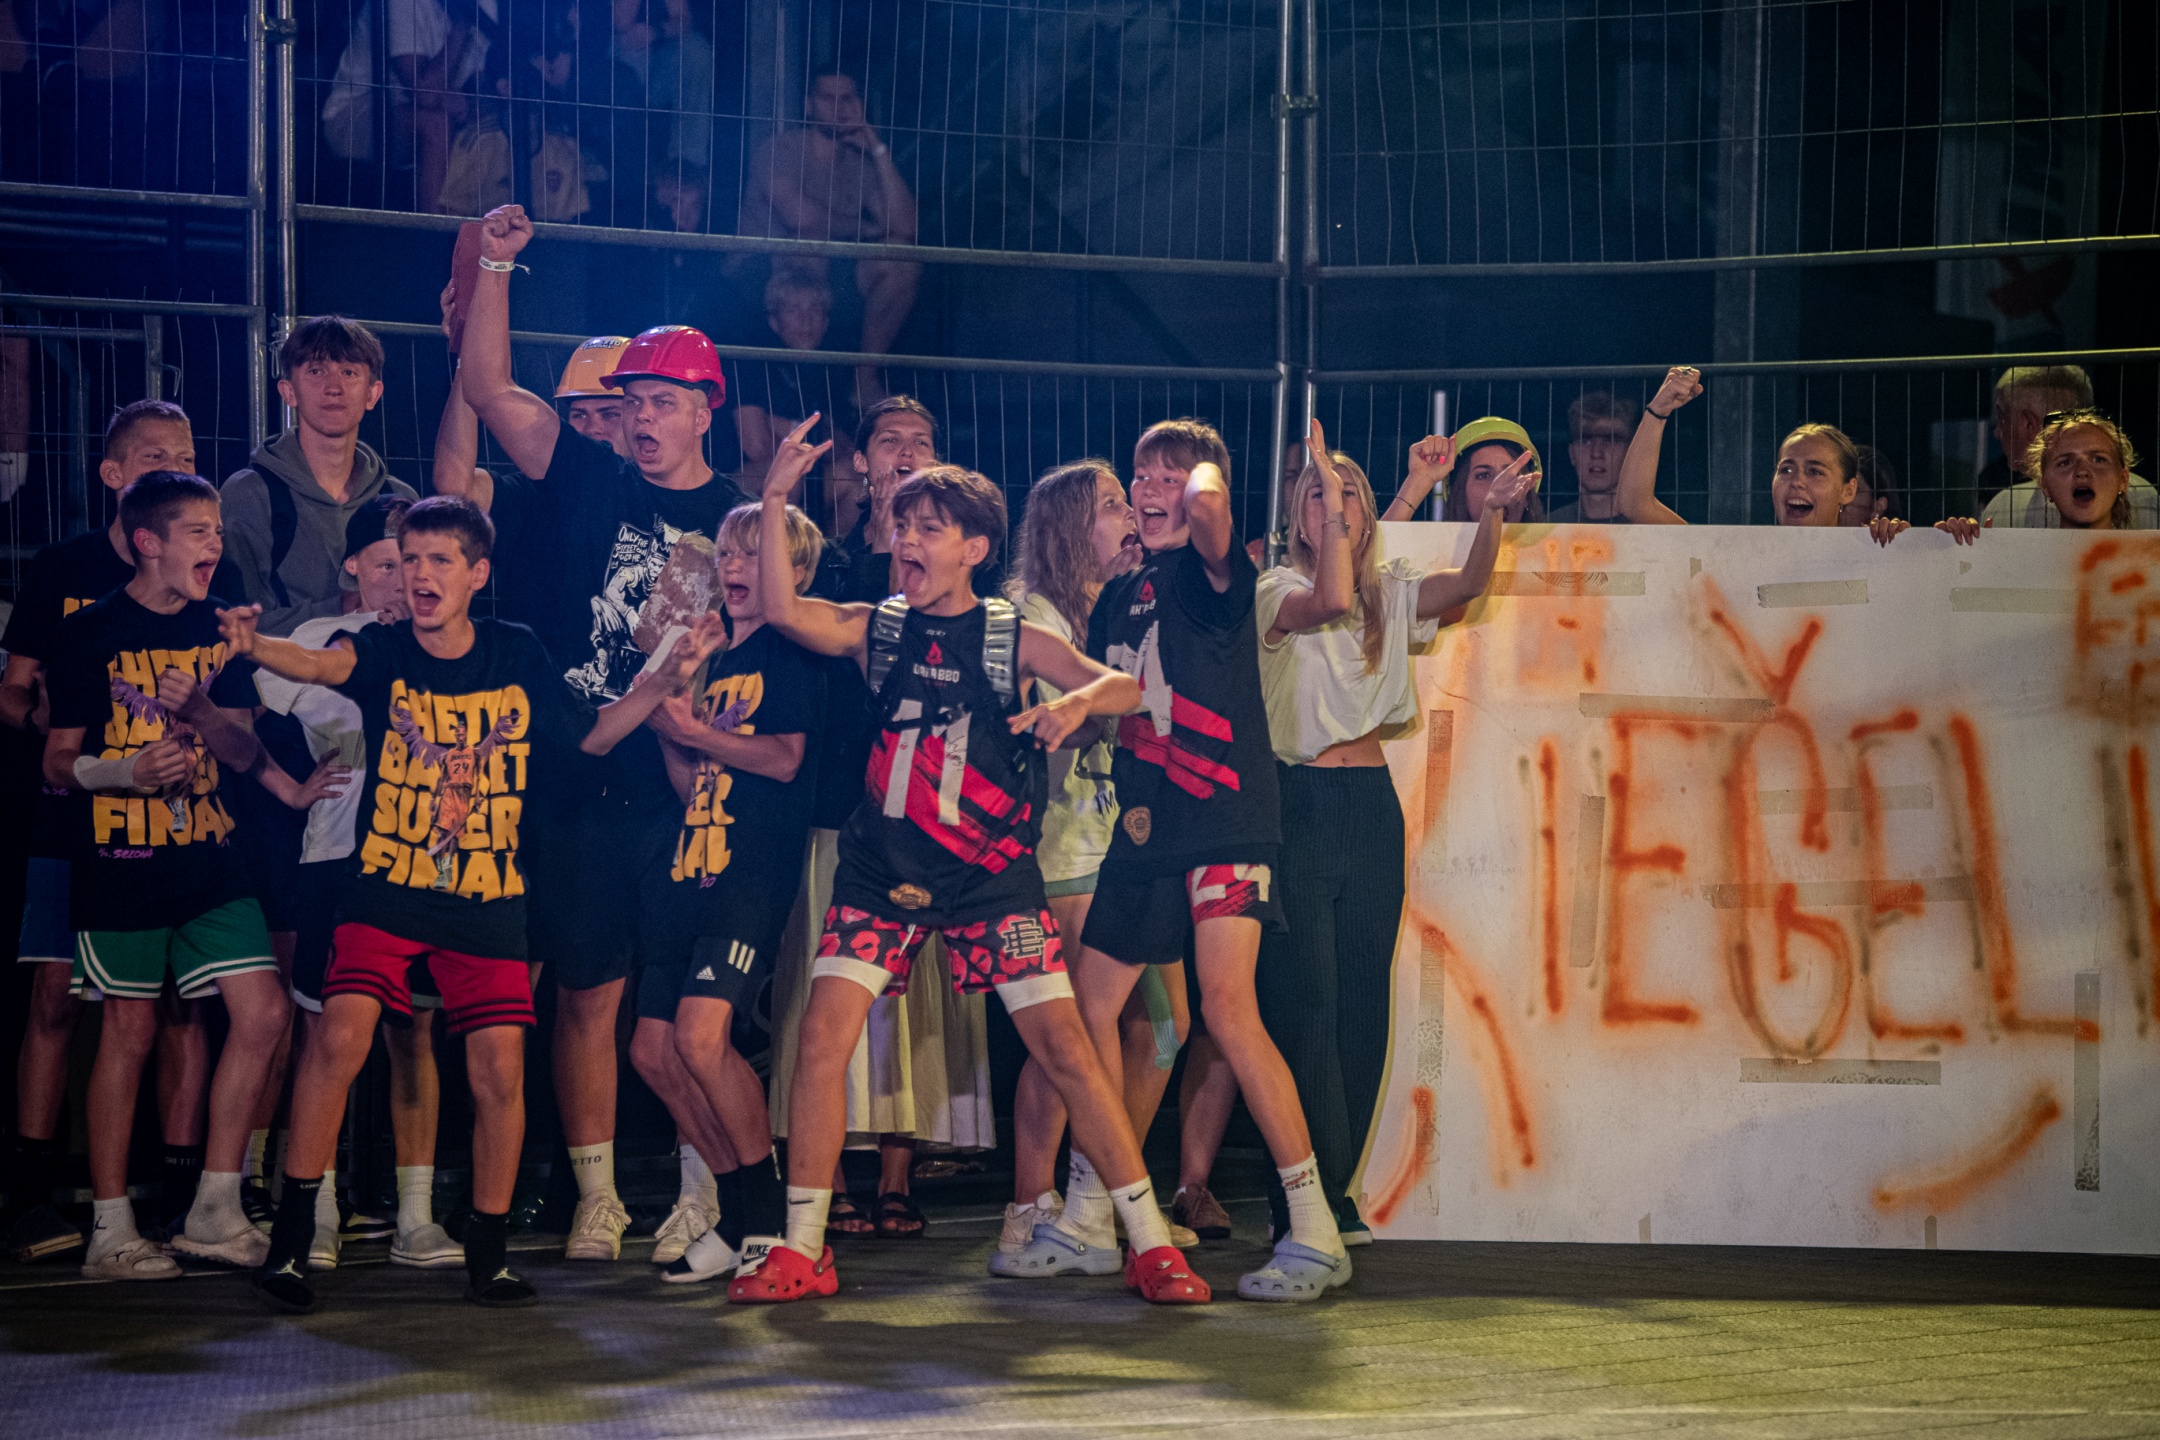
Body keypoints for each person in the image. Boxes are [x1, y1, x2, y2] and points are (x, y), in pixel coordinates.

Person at [733, 422, 1204, 1305]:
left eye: (929, 529)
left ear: (975, 550)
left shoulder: (1008, 635)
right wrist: (773, 498)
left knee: (1068, 1050)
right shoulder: (877, 628)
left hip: (990, 876)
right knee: (822, 1041)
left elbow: (1122, 686)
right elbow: (788, 611)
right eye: (902, 527)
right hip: (881, 871)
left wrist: (1073, 709)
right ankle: (802, 1248)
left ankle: (1147, 1243)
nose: (906, 541)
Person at [224, 496, 726, 1313]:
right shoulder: (384, 647)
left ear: (477, 574)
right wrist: (256, 647)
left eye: (438, 561)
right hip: (386, 884)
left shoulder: (514, 650)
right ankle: (291, 1242)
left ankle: (487, 1253)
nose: (419, 575)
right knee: (339, 1038)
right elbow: (320, 667)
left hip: (484, 891)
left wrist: (663, 682)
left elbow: (593, 735)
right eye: (409, 560)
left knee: (497, 1069)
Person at [448, 203, 751, 1262]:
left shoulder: (740, 522)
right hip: (578, 780)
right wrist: (493, 266)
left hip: (684, 783)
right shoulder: (586, 476)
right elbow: (492, 388)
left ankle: (708, 1194)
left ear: (704, 411)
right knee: (586, 997)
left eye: (662, 401)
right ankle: (597, 1197)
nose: (642, 418)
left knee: (684, 1011)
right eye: (632, 402)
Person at [1062, 416, 1350, 1303]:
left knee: (1228, 1011)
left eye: (1166, 478)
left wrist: (1201, 480)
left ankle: (1315, 1229)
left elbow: (1216, 518)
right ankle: (1088, 1214)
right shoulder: (1121, 593)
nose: (1147, 491)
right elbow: (1112, 701)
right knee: (1084, 1013)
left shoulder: (1214, 572)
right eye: (1139, 477)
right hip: (1143, 833)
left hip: (1225, 823)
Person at [1255, 420, 1529, 1246]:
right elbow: (1329, 599)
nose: (1330, 507)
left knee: (1363, 1007)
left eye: (1345, 495)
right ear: (1297, 514)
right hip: (1299, 807)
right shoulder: (1276, 589)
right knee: (1308, 1004)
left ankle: (1333, 1192)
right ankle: (1300, 1197)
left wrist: (1493, 514)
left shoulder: (1390, 591)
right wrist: (1352, 499)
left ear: (1365, 514)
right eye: (1315, 494)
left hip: (1370, 807)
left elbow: (1471, 583)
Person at [40, 472, 294, 1281]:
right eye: (198, 531)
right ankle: (110, 1229)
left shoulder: (221, 631)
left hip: (211, 855)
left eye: (217, 529)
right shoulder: (90, 633)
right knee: (131, 1030)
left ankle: (215, 1211)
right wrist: (126, 771)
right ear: (148, 543)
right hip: (122, 859)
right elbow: (56, 760)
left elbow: (244, 749)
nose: (215, 543)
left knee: (263, 1013)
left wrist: (207, 716)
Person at [1, 402, 227, 1263]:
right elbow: (16, 686)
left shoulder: (204, 568)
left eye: (184, 453)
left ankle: (181, 1196)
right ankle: (30, 1197)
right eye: (153, 454)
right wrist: (64, 732)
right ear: (112, 474)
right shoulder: (64, 570)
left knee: (180, 1005)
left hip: (174, 831)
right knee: (55, 999)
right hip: (73, 818)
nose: (172, 464)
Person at [250, 495, 463, 1274]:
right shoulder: (319, 640)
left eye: (422, 563)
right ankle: (316, 1211)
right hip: (338, 855)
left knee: (415, 1033)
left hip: (425, 859)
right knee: (324, 1034)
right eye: (392, 563)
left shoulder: (451, 642)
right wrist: (288, 785)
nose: (407, 579)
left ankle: (416, 1216)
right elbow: (242, 714)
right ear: (355, 567)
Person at [996, 459, 1202, 1254]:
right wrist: (1109, 705)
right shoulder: (1031, 615)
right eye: (1113, 503)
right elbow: (1044, 728)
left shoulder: (1125, 604)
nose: (1130, 514)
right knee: (1073, 1034)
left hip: (1130, 840)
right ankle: (1029, 1204)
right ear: (1069, 527)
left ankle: (1109, 1191)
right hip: (1062, 844)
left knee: (1167, 1028)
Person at [632, 501, 826, 1284]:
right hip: (691, 864)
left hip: (751, 873)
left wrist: (693, 731)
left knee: (703, 1038)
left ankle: (766, 1216)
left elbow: (785, 759)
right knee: (653, 1051)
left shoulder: (792, 651)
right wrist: (668, 719)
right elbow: (692, 785)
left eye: (753, 554)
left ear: (793, 572)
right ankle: (737, 1212)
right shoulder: (712, 657)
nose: (736, 568)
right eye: (728, 555)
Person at [1616, 367, 1979, 544]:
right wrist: (1658, 411)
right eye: (1786, 469)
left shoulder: (1878, 551)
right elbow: (1634, 504)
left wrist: (1950, 546)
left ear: (1849, 490)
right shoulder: (1739, 556)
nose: (1797, 481)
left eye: (1815, 471)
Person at [222, 316, 419, 637]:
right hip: (284, 667)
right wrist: (345, 608)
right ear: (289, 391)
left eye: (349, 372)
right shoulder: (250, 495)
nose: (333, 388)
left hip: (384, 666)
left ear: (372, 394)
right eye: (316, 371)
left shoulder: (398, 499)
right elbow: (236, 623)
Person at [737, 68, 920, 404]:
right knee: (810, 245)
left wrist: (878, 149)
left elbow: (905, 228)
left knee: (902, 262)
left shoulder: (859, 162)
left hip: (832, 268)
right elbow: (800, 219)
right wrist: (867, 229)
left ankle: (863, 381)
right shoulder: (779, 149)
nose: (839, 107)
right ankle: (805, 392)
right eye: (828, 98)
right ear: (809, 104)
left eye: (847, 98)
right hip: (764, 266)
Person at [812, 395, 939, 605]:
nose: (907, 451)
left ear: (934, 466)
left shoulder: (959, 553)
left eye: (920, 442)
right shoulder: (823, 559)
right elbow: (856, 624)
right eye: (890, 440)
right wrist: (881, 548)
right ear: (861, 461)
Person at [731, 270, 849, 488]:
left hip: (802, 473)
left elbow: (841, 443)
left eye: (815, 309)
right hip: (741, 481)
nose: (806, 320)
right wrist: (803, 434)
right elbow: (757, 446)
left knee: (852, 475)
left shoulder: (828, 371)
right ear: (774, 321)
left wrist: (778, 425)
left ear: (826, 321)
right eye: (793, 310)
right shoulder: (754, 363)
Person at [1983, 407, 2153, 530]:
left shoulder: (2149, 559)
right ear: (2045, 485)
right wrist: (1972, 546)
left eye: (2098, 459)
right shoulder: (2023, 557)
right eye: (2065, 462)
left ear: (2123, 479)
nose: (2082, 471)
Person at [1382, 417, 1544, 524]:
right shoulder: (1435, 555)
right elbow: (1374, 558)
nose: (1498, 485)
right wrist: (1418, 480)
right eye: (1483, 475)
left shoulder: (1553, 552)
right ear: (1460, 492)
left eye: (1511, 474)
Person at [1544, 391, 1638, 523]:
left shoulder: (1653, 527)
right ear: (1572, 453)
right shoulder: (1547, 527)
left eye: (1610, 440)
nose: (1596, 453)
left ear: (1629, 453)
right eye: (1586, 440)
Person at [1839, 445, 1901, 527]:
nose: (1840, 498)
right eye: (1838, 488)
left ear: (1879, 507)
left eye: (1853, 490)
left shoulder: (1900, 533)